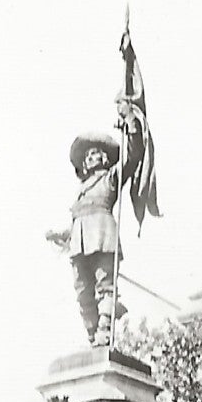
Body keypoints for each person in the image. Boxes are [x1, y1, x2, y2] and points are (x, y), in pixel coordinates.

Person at [47, 131, 125, 346]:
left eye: (95, 154)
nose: (90, 158)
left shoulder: (110, 179)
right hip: (79, 246)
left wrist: (131, 123)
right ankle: (92, 337)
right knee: (83, 293)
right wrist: (60, 234)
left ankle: (104, 331)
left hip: (103, 238)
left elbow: (132, 157)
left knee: (105, 287)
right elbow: (76, 223)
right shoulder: (81, 190)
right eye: (87, 155)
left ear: (104, 158)